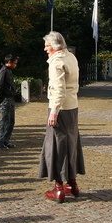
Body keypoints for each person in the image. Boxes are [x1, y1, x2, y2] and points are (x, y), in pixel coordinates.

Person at [38, 31, 84, 203]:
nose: (45, 49)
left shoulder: (56, 62)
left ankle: (58, 188)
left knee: (56, 146)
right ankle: (72, 183)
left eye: (47, 46)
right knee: (71, 144)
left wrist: (54, 112)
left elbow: (59, 90)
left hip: (61, 108)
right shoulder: (71, 57)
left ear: (55, 46)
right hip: (73, 107)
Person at [0, 54, 18, 150]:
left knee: (10, 120)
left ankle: (6, 140)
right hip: (5, 98)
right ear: (9, 62)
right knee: (4, 120)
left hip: (10, 98)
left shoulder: (9, 71)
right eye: (15, 63)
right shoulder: (4, 71)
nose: (15, 65)